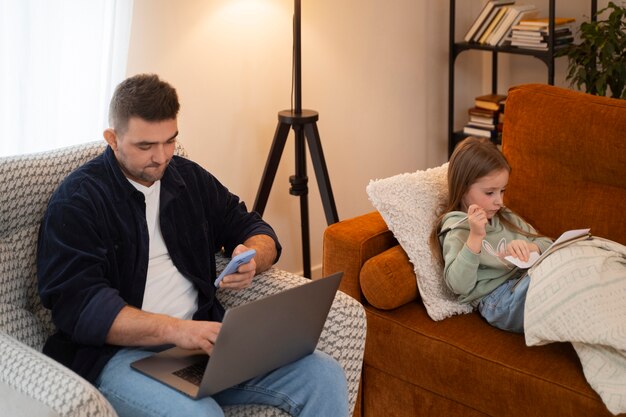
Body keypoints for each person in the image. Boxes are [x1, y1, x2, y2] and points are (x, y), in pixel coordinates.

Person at [37, 73, 349, 417]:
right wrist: (178, 330)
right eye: (145, 146)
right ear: (112, 138)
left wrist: (253, 256)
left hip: (199, 345)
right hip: (119, 356)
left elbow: (253, 227)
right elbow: (83, 307)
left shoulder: (186, 178)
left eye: (170, 141)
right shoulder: (79, 201)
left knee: (322, 374)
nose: (161, 157)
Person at [430, 137, 553, 333]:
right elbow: (458, 285)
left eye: (502, 191)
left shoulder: (505, 216)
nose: (499, 202)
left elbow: (549, 244)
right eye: (490, 193)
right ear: (462, 188)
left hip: (527, 279)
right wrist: (475, 238)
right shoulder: (456, 228)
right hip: (498, 299)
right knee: (562, 293)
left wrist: (531, 247)